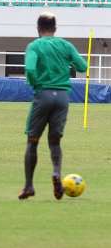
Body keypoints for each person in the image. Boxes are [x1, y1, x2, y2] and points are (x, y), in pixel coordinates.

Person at [18, 12, 87, 200]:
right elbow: (82, 66)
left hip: (43, 94)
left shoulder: (34, 46)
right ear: (55, 29)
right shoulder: (65, 45)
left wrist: (35, 84)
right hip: (63, 96)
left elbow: (30, 69)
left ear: (38, 28)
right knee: (55, 141)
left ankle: (29, 186)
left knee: (32, 141)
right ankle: (56, 172)